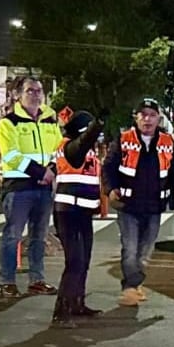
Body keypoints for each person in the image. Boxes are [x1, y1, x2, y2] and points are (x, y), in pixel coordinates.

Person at [102, 97, 174, 306]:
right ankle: (130, 288)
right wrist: (111, 189)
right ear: (136, 117)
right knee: (130, 248)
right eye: (143, 115)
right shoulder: (124, 139)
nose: (147, 119)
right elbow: (108, 168)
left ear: (158, 118)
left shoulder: (168, 143)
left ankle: (135, 283)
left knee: (145, 251)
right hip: (128, 205)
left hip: (154, 207)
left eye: (152, 115)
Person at [0, 76, 62, 297]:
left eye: (39, 91)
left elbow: (59, 150)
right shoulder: (9, 122)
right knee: (13, 235)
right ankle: (8, 281)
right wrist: (42, 172)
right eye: (30, 91)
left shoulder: (50, 121)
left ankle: (37, 279)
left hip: (44, 188)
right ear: (18, 95)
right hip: (19, 187)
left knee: (39, 237)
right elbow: (12, 156)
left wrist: (52, 168)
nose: (35, 95)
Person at [51, 109, 106, 326]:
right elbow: (82, 143)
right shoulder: (69, 147)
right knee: (74, 262)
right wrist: (98, 124)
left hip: (83, 213)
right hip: (69, 212)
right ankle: (61, 313)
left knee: (83, 261)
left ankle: (77, 304)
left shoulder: (86, 150)